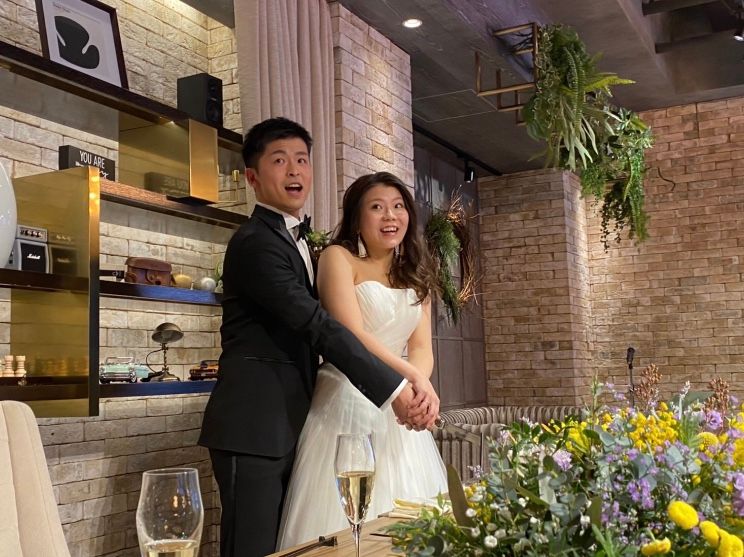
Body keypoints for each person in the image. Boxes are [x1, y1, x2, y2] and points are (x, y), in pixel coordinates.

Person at [197, 118, 440, 557]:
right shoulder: (256, 243)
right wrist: (398, 388)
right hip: (254, 425)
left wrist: (415, 382)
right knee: (251, 547)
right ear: (252, 176)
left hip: (293, 419)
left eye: (302, 160)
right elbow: (320, 326)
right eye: (279, 160)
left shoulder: (297, 241)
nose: (295, 170)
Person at [276, 172, 448, 550]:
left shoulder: (416, 273)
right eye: (377, 207)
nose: (390, 216)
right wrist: (410, 379)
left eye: (398, 206)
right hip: (347, 397)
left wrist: (420, 388)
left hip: (401, 405)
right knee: (346, 514)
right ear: (356, 217)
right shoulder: (338, 258)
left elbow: (421, 348)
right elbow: (351, 335)